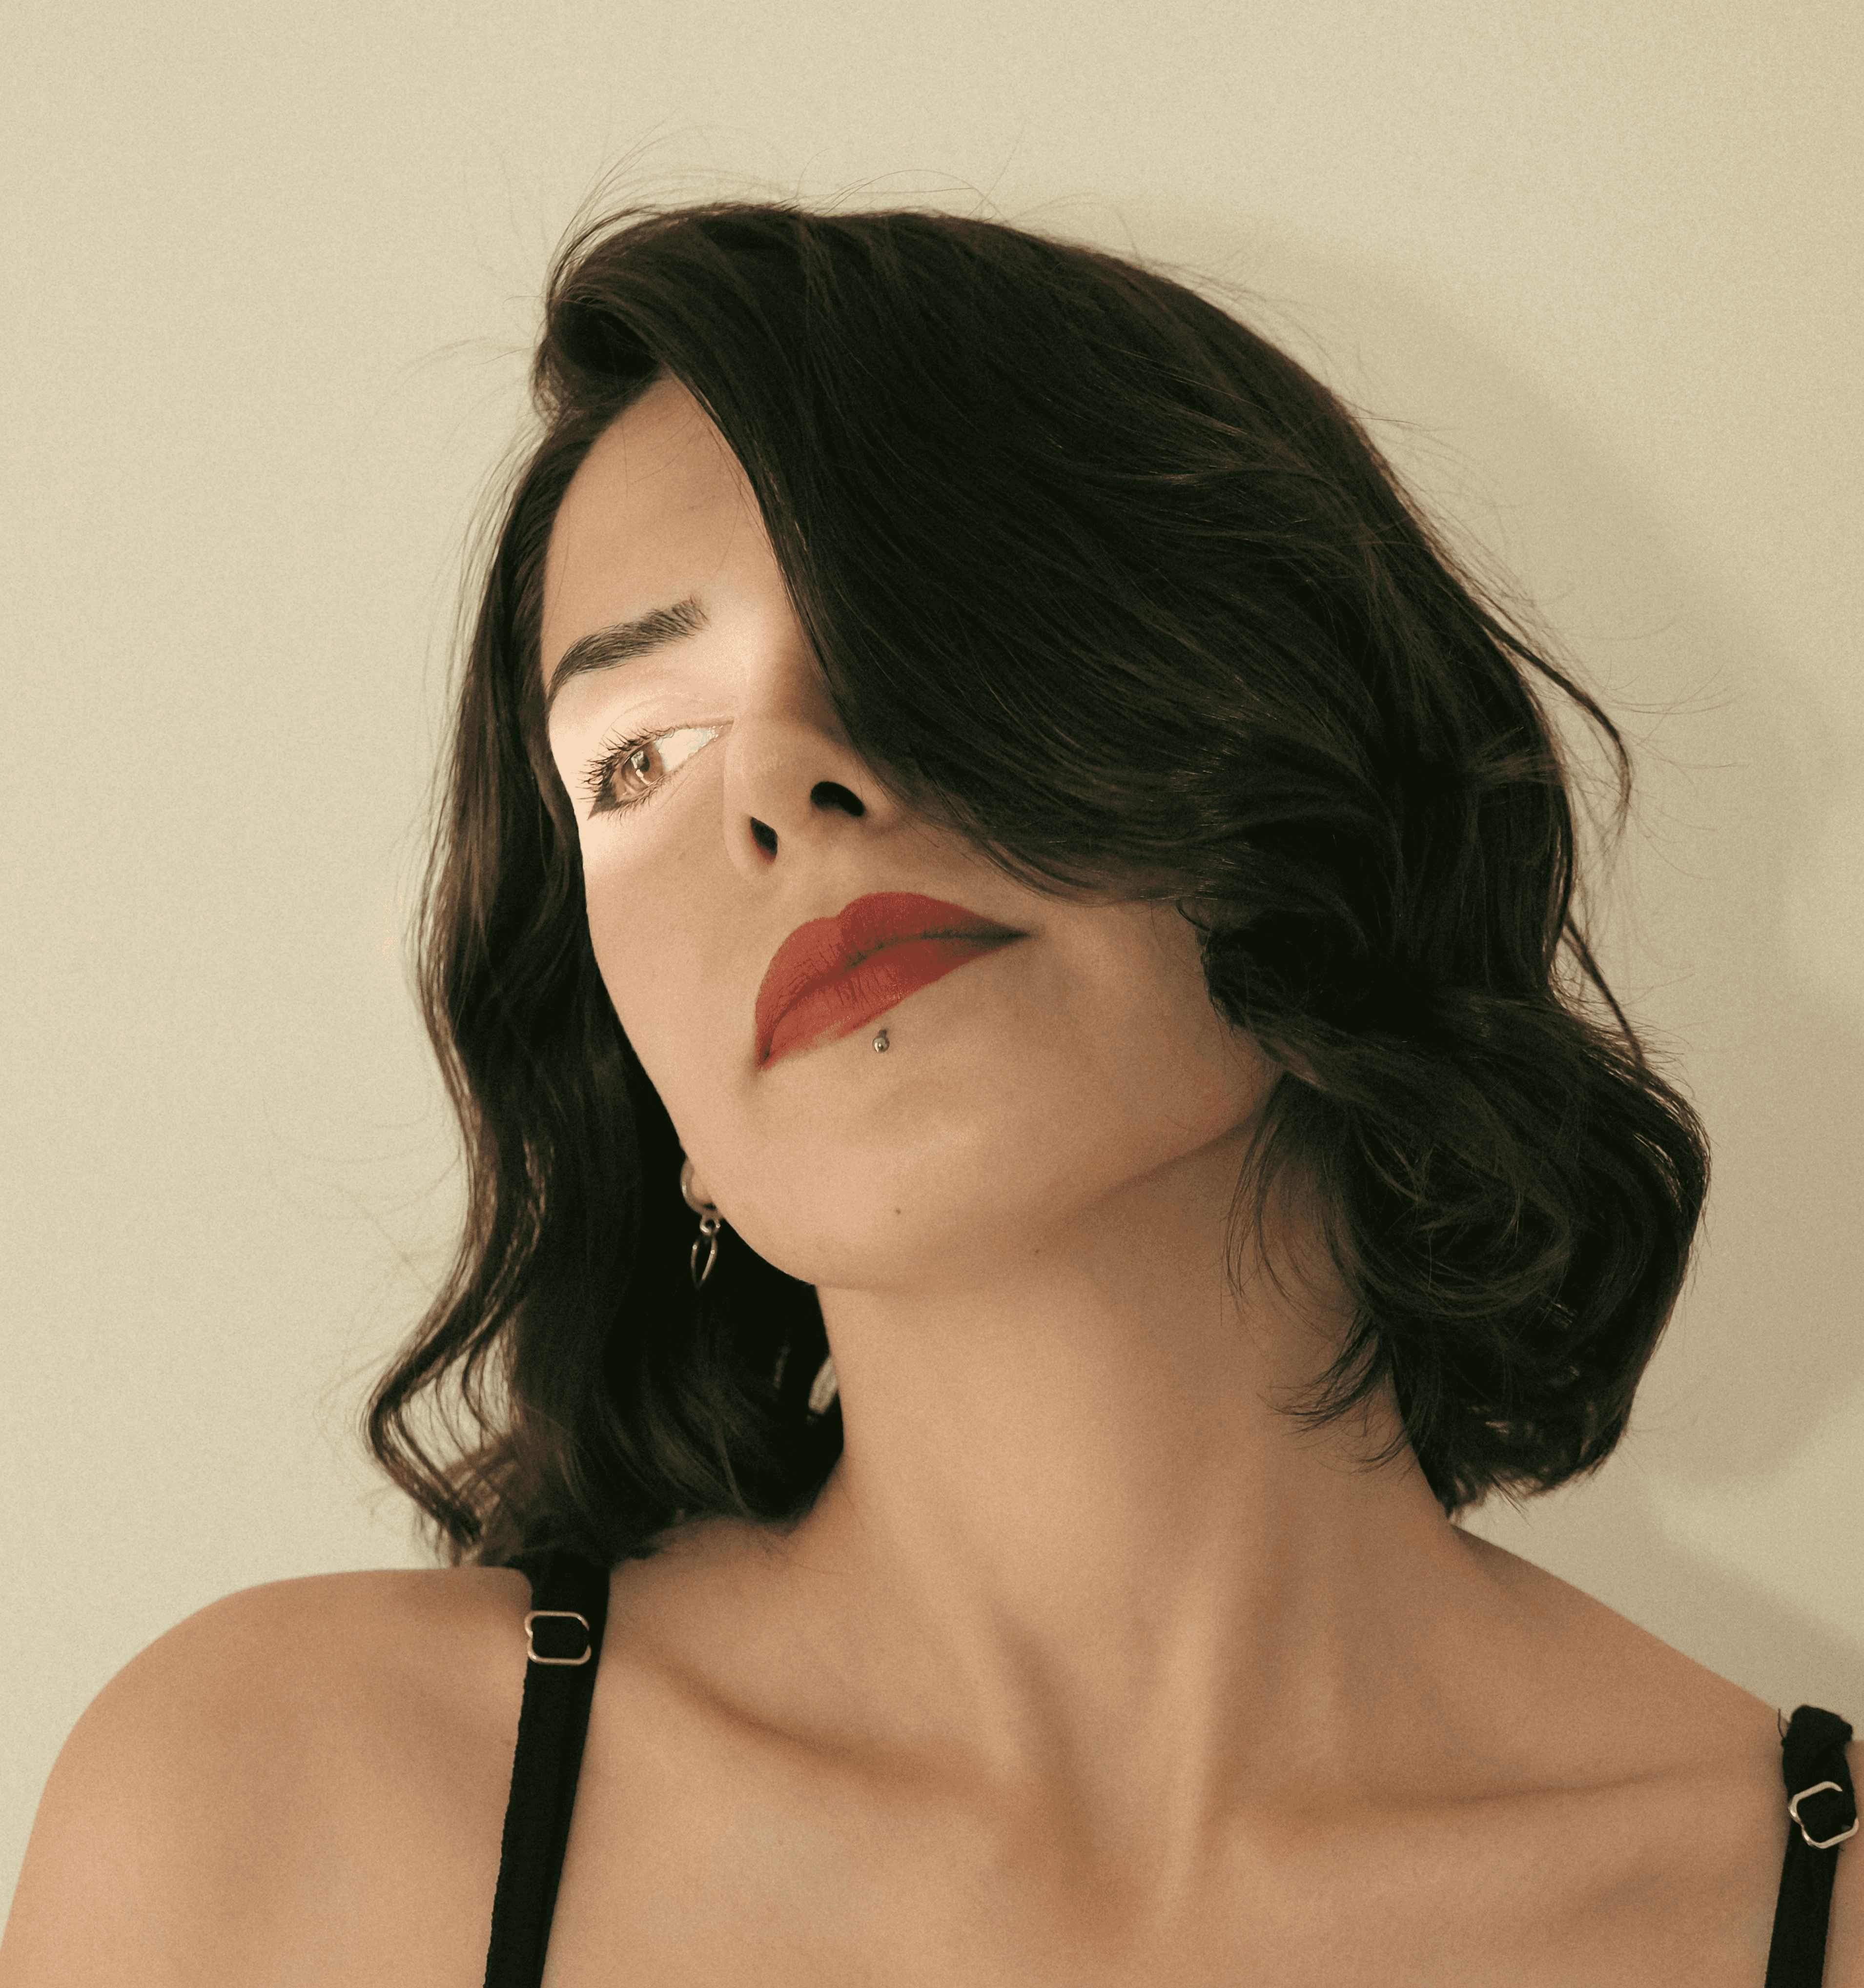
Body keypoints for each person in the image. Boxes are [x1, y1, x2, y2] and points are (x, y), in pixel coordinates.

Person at [2, 200, 1854, 1987]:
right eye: (635, 757)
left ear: (1280, 720)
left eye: (908, 626)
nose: (775, 784)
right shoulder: (279, 1822)